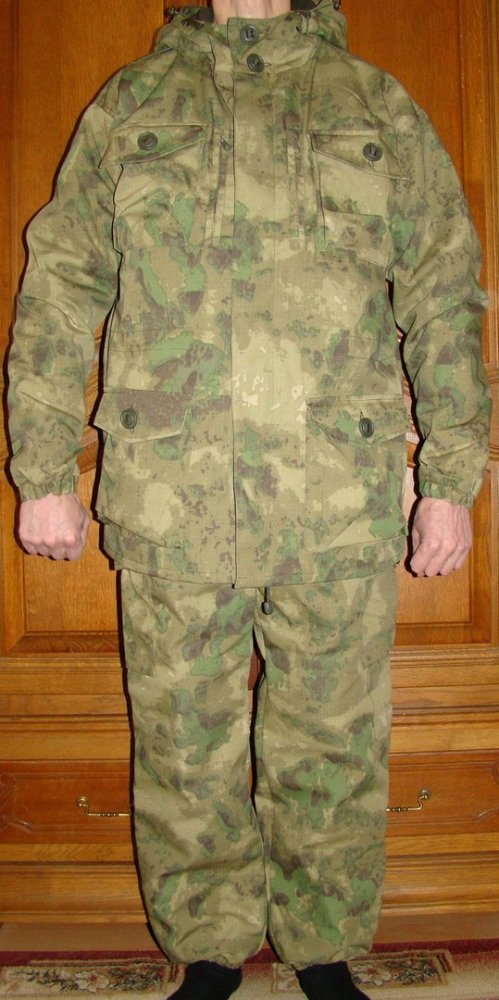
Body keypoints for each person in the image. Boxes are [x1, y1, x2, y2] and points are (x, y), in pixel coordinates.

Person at [7, 0, 491, 996]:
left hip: (336, 488)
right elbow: (59, 283)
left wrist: (450, 477)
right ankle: (209, 948)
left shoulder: (372, 103)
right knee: (183, 740)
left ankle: (324, 948)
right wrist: (44, 466)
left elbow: (445, 289)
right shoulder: (136, 102)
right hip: (172, 489)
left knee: (334, 740)